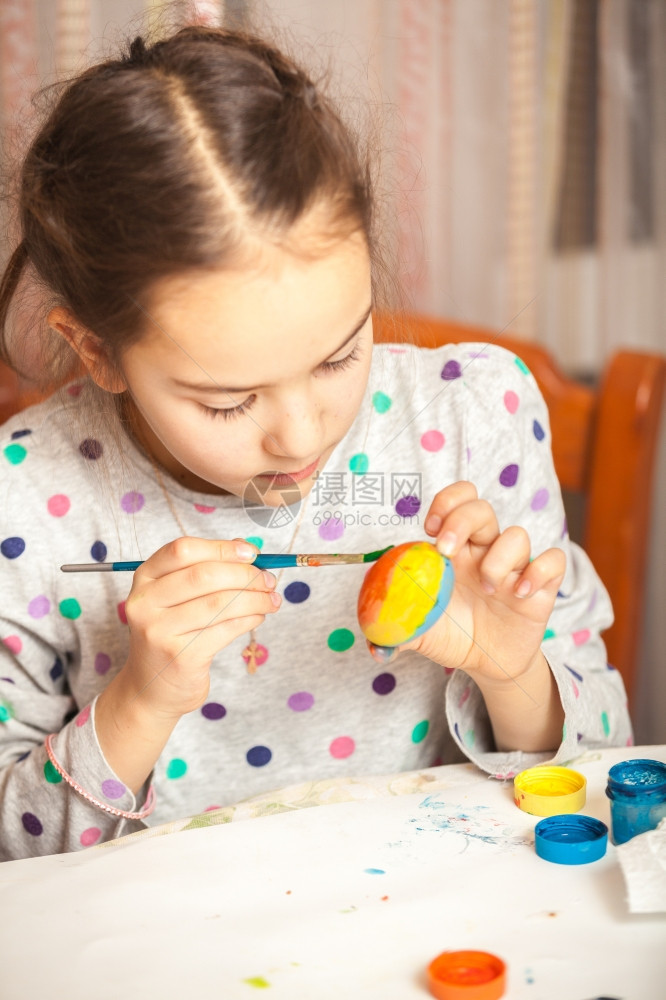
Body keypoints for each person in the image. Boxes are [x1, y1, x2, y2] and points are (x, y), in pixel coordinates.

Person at [0, 25, 631, 862]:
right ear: (97, 351)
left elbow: (612, 775)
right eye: (227, 403)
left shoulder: (473, 417)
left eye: (340, 355)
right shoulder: (28, 500)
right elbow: (16, 861)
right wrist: (139, 703)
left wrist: (511, 671)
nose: (301, 436)